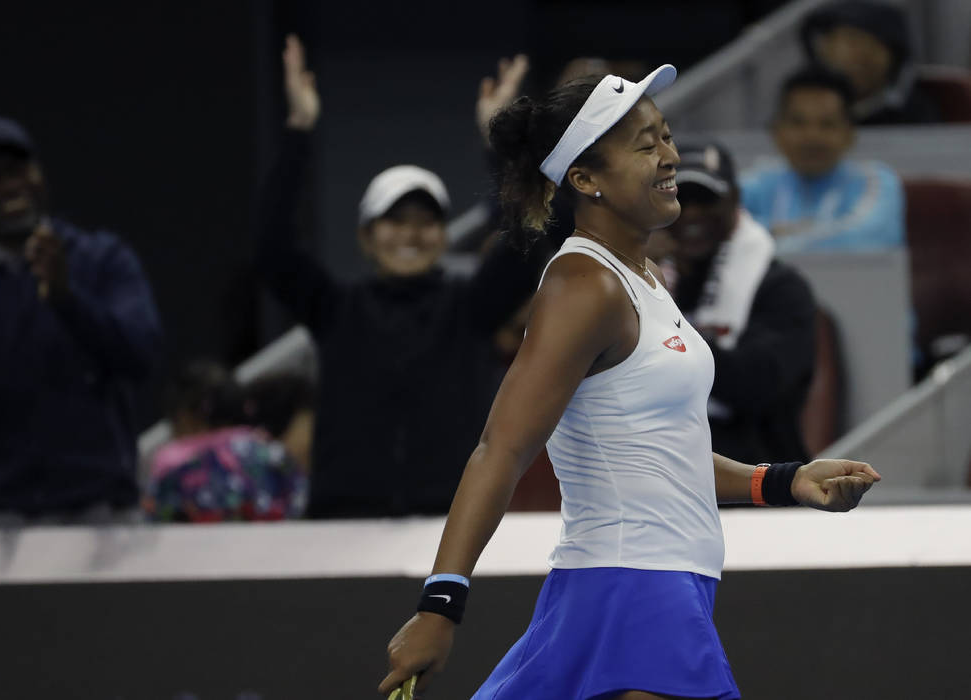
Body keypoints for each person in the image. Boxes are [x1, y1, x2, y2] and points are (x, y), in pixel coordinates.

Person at [378, 67, 881, 699]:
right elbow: (500, 449)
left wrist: (779, 480)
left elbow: (662, 450)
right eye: (645, 145)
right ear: (585, 180)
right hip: (635, 587)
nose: (670, 156)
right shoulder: (583, 287)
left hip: (651, 584)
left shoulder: (640, 276)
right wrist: (440, 604)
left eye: (665, 136)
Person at [259, 36, 562, 518]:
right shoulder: (337, 311)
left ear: (442, 236)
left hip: (450, 524)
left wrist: (499, 145)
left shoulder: (470, 309)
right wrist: (298, 130)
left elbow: (529, 242)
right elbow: (271, 249)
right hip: (343, 523)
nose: (411, 233)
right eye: (395, 220)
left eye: (425, 221)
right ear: (366, 237)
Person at [0, 116, 162, 526]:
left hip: (101, 516)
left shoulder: (99, 258)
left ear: (39, 175)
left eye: (18, 170)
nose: (10, 186)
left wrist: (69, 299)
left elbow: (141, 356)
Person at [656, 143, 817, 465]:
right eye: (680, 199)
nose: (692, 213)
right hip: (663, 472)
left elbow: (757, 385)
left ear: (734, 201)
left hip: (761, 482)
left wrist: (658, 335)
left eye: (706, 199)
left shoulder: (781, 288)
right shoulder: (645, 281)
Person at [741, 68, 905, 254]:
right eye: (798, 123)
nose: (812, 136)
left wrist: (773, 235)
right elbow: (723, 233)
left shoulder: (877, 182)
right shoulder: (755, 184)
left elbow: (869, 242)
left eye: (827, 124)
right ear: (776, 131)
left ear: (850, 134)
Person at [144, 361, 306, 523]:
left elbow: (155, 518)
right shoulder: (272, 453)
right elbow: (300, 503)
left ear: (185, 416)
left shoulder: (171, 461)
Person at [800, 0, 938, 125]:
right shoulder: (801, 104)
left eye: (875, 46)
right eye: (852, 41)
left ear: (894, 60)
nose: (860, 57)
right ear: (825, 50)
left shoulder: (914, 113)